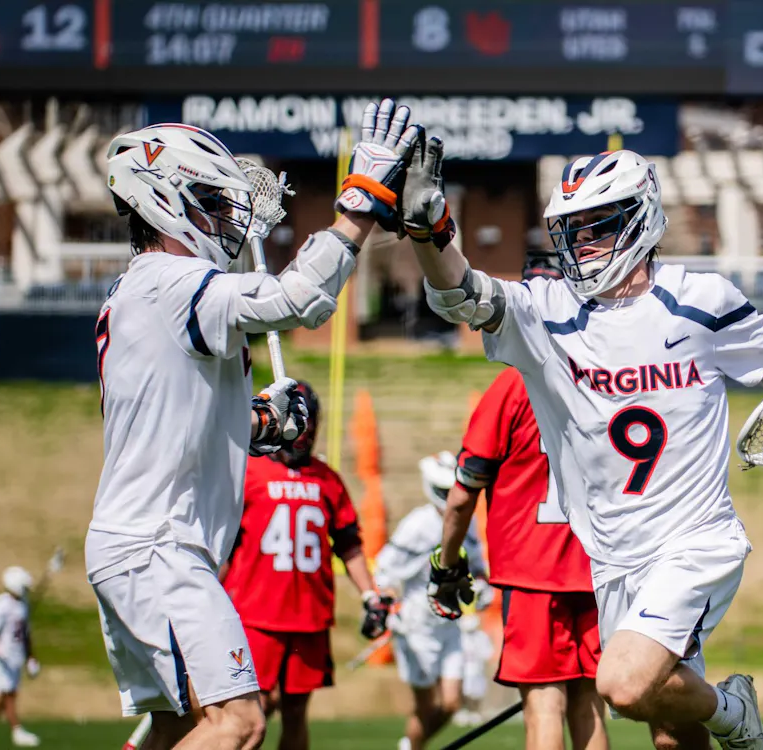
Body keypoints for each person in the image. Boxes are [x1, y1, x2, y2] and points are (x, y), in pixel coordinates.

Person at [392, 97, 763, 750]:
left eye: (598, 226)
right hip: (612, 558)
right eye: (573, 229)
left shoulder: (699, 301)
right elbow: (460, 290)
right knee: (672, 732)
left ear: (639, 219)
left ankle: (736, 713)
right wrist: (430, 230)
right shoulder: (547, 312)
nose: (582, 244)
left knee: (621, 686)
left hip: (694, 543)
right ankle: (718, 713)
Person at [87, 101, 422, 750]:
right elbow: (297, 300)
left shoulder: (144, 290)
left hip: (140, 542)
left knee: (178, 727)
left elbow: (175, 412)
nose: (224, 217)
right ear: (165, 200)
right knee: (240, 725)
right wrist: (360, 203)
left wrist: (258, 423)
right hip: (161, 545)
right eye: (209, 200)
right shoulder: (174, 282)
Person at [434, 249, 609, 750]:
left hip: (533, 572)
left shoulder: (510, 388)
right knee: (589, 705)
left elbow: (463, 496)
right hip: (596, 567)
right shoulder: (602, 383)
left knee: (544, 705)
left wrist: (448, 566)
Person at [221, 381, 390, 750]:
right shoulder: (249, 473)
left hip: (309, 617)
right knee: (254, 710)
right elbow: (224, 548)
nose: (301, 436)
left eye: (307, 425)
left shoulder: (328, 479)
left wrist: (370, 596)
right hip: (256, 614)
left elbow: (349, 546)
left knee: (297, 710)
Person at [373, 452, 489, 750]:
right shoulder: (418, 524)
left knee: (451, 703)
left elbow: (476, 564)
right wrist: (386, 604)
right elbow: (386, 568)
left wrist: (482, 585)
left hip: (450, 624)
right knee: (425, 708)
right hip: (417, 625)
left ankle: (410, 746)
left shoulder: (469, 522)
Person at [0, 568, 41, 748]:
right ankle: (16, 729)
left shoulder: (22, 604)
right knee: (7, 693)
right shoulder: (1, 604)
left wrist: (30, 657)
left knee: (8, 693)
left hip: (16, 657)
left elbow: (26, 633)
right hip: (3, 657)